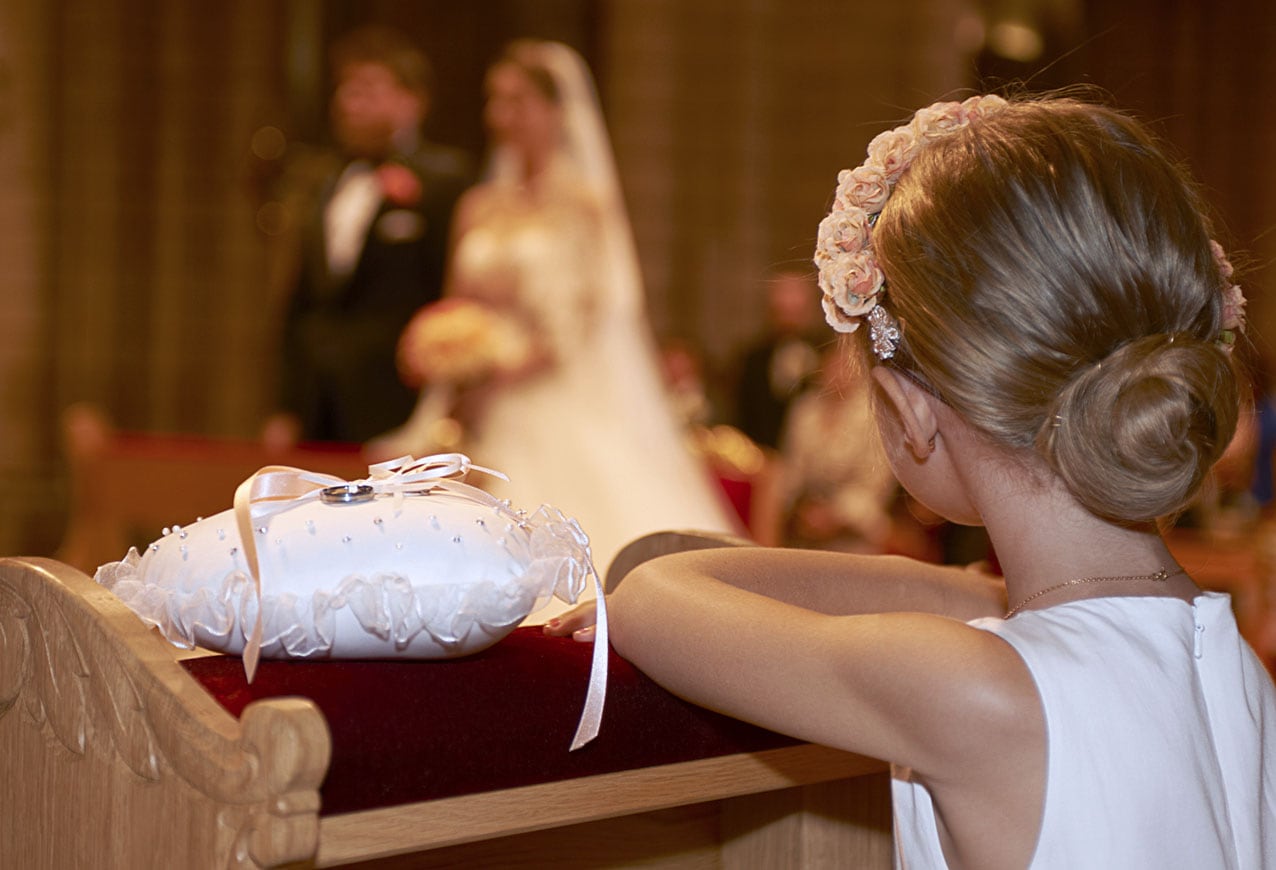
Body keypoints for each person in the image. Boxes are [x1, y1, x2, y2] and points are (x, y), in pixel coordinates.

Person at [549, 92, 1276, 867]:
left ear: (911, 412)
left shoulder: (972, 687)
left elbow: (650, 591)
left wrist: (956, 594)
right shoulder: (1236, 664)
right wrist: (974, 594)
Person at [425, 40, 739, 578]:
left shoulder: (582, 205)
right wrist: (452, 352)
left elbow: (586, 318)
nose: (500, 116)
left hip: (548, 388)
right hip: (477, 395)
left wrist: (508, 368)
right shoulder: (479, 205)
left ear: (555, 110)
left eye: (516, 101)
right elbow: (458, 302)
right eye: (494, 100)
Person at [269, 25, 473, 445]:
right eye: (345, 88)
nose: (348, 101)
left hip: (395, 399)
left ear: (411, 101)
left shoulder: (443, 182)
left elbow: (451, 291)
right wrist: (285, 405)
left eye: (367, 88)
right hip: (317, 400)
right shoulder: (323, 182)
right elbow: (301, 298)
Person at [759, 339, 897, 552]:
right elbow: (792, 468)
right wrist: (796, 508)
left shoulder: (874, 415)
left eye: (847, 364)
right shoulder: (805, 409)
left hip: (855, 524)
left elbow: (875, 484)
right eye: (834, 362)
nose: (838, 370)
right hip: (805, 521)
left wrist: (833, 515)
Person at [731, 270, 824, 452]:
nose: (789, 321)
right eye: (782, 312)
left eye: (796, 312)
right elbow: (744, 413)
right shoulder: (753, 358)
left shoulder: (828, 356)